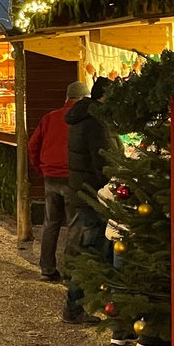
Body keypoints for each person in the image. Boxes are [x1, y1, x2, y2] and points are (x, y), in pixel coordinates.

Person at [62, 76, 119, 324]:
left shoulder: (83, 118)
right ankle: (75, 307)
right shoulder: (97, 123)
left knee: (82, 249)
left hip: (82, 193)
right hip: (92, 196)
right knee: (88, 251)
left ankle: (82, 303)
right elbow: (104, 162)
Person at [28, 81, 88, 282]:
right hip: (73, 177)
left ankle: (47, 268)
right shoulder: (83, 120)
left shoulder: (49, 118)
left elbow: (33, 146)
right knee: (74, 224)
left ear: (66, 98)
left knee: (50, 223)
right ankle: (70, 270)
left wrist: (41, 168)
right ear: (83, 99)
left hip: (50, 177)